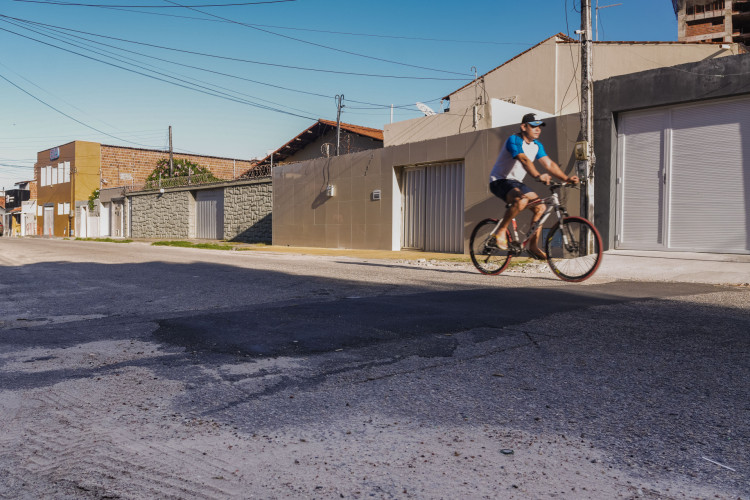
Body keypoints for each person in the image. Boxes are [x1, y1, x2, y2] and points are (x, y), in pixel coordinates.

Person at [488, 113, 579, 259]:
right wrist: (538, 176)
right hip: (499, 180)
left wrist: (567, 179)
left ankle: (533, 247)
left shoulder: (537, 146)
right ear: (523, 127)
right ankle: (501, 231)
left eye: (540, 126)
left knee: (541, 208)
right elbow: (524, 160)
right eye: (533, 126)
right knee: (521, 200)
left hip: (516, 183)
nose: (538, 129)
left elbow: (549, 164)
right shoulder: (514, 140)